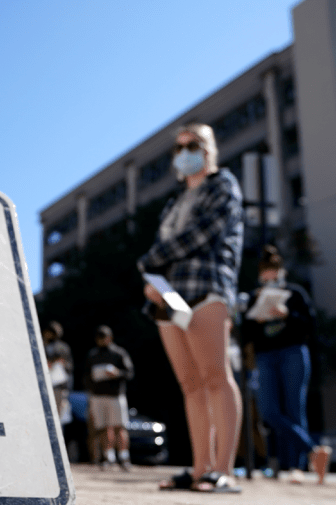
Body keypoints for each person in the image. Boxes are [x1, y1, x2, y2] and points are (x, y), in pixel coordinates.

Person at [138, 123, 244, 493]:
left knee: (216, 376)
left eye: (193, 145)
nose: (185, 152)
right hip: (169, 299)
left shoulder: (223, 186)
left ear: (210, 149)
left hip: (206, 290)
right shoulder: (173, 202)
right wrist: (152, 280)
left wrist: (150, 261)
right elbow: (165, 252)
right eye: (179, 147)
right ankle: (200, 469)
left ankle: (223, 470)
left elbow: (201, 235)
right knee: (190, 384)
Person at [241, 245, 330, 484]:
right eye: (265, 272)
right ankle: (314, 450)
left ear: (281, 272)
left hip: (293, 352)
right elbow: (245, 334)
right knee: (269, 411)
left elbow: (311, 325)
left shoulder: (296, 293)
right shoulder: (254, 297)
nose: (270, 276)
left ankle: (296, 467)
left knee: (294, 409)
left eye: (274, 272)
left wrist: (286, 314)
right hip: (265, 356)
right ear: (261, 274)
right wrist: (255, 319)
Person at [83, 325, 134, 470]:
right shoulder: (92, 355)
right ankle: (107, 456)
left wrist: (117, 373)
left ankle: (124, 457)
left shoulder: (119, 353)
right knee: (103, 428)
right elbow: (86, 375)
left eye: (103, 337)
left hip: (115, 396)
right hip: (98, 396)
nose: (101, 341)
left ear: (109, 338)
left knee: (119, 427)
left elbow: (129, 373)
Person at [42, 321, 73, 425]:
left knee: (58, 418)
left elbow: (70, 366)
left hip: (59, 386)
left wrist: (61, 363)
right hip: (43, 386)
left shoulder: (63, 347)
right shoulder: (39, 344)